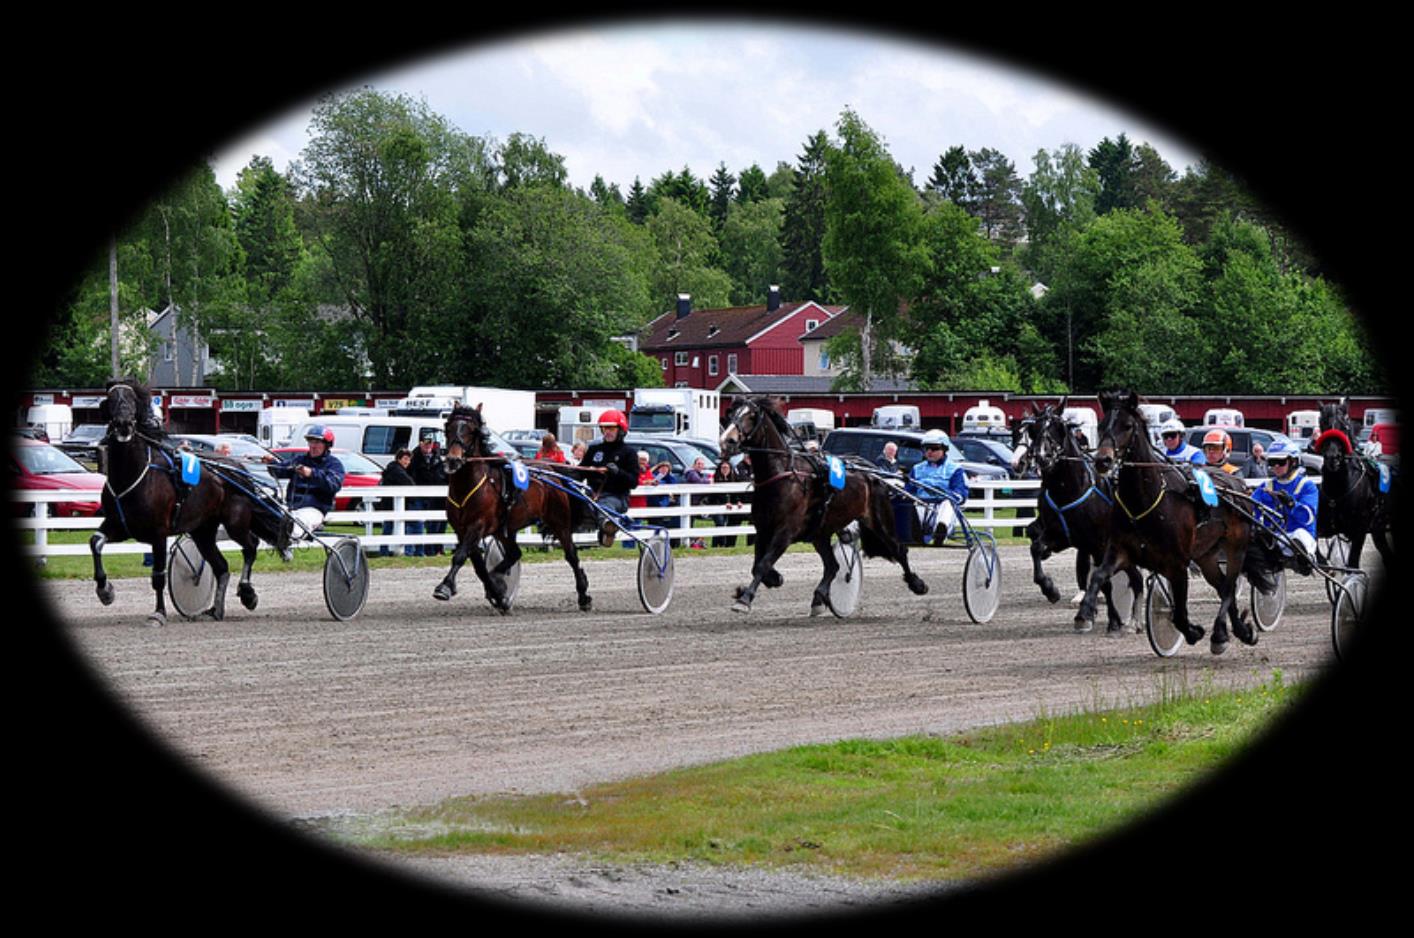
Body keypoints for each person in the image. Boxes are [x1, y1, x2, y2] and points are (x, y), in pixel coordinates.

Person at [264, 426, 346, 561]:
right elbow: (281, 471)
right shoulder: (300, 460)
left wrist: (312, 473)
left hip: (315, 509)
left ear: (326, 445)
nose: (313, 446)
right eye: (311, 442)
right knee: (271, 514)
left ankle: (287, 542)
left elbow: (333, 484)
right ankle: (282, 541)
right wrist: (271, 463)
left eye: (317, 443)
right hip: (291, 507)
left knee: (296, 522)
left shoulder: (334, 464)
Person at [1251, 440, 1320, 574]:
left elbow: (1308, 518)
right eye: (1272, 462)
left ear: (1293, 462)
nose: (1276, 466)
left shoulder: (1307, 486)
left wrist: (1291, 504)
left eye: (1281, 462)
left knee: (1298, 537)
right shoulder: (1266, 487)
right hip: (1275, 538)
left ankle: (1305, 559)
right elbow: (1251, 507)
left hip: (1300, 536)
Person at [578, 409, 640, 547]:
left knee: (605, 504)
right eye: (605, 428)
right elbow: (580, 473)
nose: (608, 431)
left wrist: (618, 472)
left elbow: (634, 482)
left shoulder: (629, 453)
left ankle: (608, 528)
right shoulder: (594, 450)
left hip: (617, 497)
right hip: (592, 494)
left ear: (621, 430)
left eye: (611, 428)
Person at [908, 429, 969, 544]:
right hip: (921, 504)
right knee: (909, 504)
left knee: (948, 503)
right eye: (926, 448)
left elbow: (961, 492)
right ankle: (915, 532)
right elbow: (909, 490)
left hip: (942, 506)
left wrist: (948, 495)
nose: (930, 452)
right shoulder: (917, 468)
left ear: (944, 449)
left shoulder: (955, 469)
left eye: (934, 448)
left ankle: (941, 531)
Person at [409, 429, 448, 556]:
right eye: (425, 444)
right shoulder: (414, 459)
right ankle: (421, 550)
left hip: (435, 495)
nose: (428, 446)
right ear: (420, 443)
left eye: (430, 444)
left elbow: (442, 475)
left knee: (437, 523)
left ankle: (436, 548)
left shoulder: (437, 459)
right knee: (418, 523)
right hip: (419, 495)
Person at [378, 448, 417, 557]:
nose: (407, 462)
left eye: (409, 460)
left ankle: (385, 550)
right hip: (391, 504)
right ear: (399, 459)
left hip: (391, 503)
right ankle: (401, 551)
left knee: (389, 527)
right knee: (391, 527)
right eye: (405, 459)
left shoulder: (394, 468)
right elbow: (409, 483)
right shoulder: (396, 470)